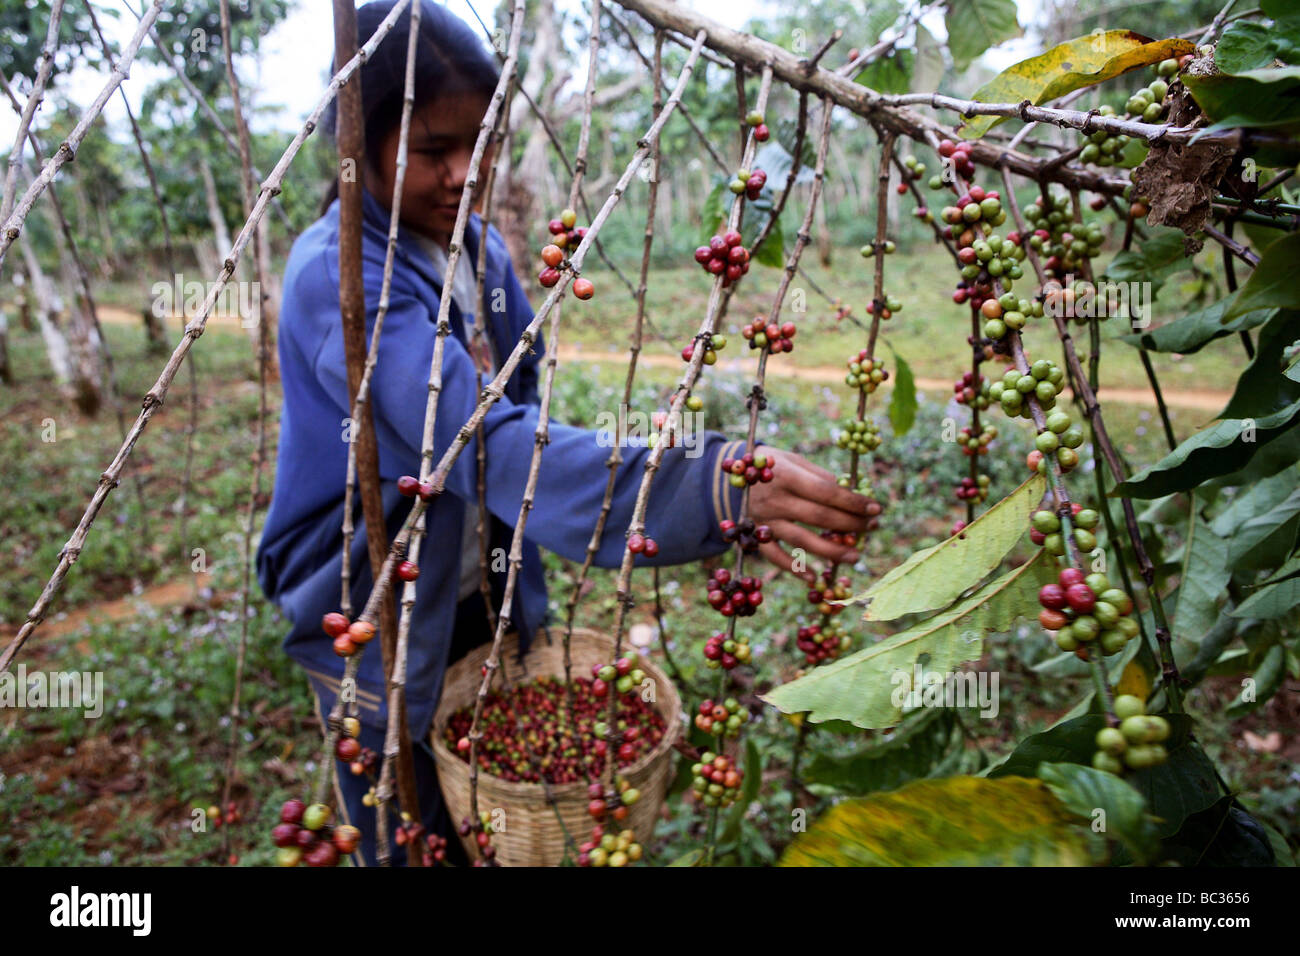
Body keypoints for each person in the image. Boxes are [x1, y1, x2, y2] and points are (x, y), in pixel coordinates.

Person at [255, 0, 871, 866]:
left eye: (482, 142)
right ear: (359, 144)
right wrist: (700, 487)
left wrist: (675, 494)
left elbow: (522, 421)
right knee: (403, 818)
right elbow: (478, 439)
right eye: (433, 151)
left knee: (492, 815)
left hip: (481, 581)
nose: (464, 173)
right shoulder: (338, 279)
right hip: (369, 598)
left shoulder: (481, 254)